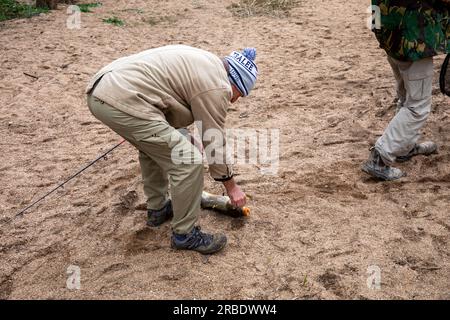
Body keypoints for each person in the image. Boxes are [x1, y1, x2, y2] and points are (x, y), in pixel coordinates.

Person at [86, 45, 258, 254]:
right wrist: (232, 187)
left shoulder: (207, 64)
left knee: (154, 148)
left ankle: (158, 209)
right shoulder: (218, 86)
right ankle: (186, 234)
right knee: (188, 161)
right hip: (121, 97)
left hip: (104, 89)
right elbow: (214, 140)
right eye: (240, 94)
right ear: (237, 82)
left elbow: (168, 95)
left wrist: (183, 134)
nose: (234, 100)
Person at [362, 0, 450, 180]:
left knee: (407, 95)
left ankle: (403, 146)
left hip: (390, 32)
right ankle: (379, 159)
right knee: (417, 107)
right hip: (413, 37)